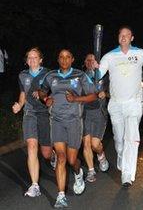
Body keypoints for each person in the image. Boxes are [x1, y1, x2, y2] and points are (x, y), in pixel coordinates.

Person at [93, 25, 143, 187]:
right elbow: (98, 76)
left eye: (127, 35)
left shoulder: (140, 53)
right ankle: (121, 156)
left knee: (131, 138)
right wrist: (95, 69)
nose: (123, 37)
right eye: (121, 35)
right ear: (118, 38)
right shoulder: (109, 56)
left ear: (132, 38)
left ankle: (127, 175)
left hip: (134, 103)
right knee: (119, 139)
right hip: (116, 104)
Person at [39, 49, 97, 208]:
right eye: (61, 57)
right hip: (56, 121)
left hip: (74, 122)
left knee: (72, 160)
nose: (64, 60)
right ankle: (61, 196)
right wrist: (46, 99)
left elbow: (94, 95)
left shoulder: (80, 75)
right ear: (58, 59)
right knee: (61, 157)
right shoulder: (51, 76)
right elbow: (41, 91)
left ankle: (79, 173)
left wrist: (76, 98)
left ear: (72, 59)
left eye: (67, 57)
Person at [12, 47, 55, 197]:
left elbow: (53, 93)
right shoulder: (22, 75)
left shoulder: (48, 74)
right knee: (31, 145)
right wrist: (19, 105)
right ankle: (34, 185)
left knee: (46, 153)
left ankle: (53, 156)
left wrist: (45, 96)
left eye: (35, 57)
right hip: (29, 113)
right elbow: (23, 93)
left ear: (41, 59)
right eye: (29, 58)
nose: (32, 60)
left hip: (44, 114)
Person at [82, 54, 110, 183]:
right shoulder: (81, 77)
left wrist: (106, 93)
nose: (90, 62)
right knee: (86, 143)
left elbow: (114, 90)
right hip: (85, 113)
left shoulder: (105, 76)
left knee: (95, 144)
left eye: (92, 60)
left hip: (99, 113)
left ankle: (100, 155)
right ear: (85, 62)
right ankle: (91, 170)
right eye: (87, 60)